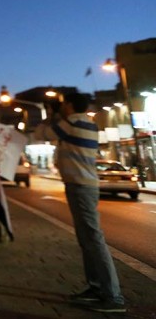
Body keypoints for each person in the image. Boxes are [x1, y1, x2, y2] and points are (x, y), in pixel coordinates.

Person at [34, 92, 125, 313]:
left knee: (93, 238)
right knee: (86, 239)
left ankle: (113, 297)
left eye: (64, 104)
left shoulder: (71, 122)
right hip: (84, 184)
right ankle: (96, 288)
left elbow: (40, 134)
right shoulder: (89, 123)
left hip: (80, 186)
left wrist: (50, 115)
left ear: (71, 106)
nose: (62, 107)